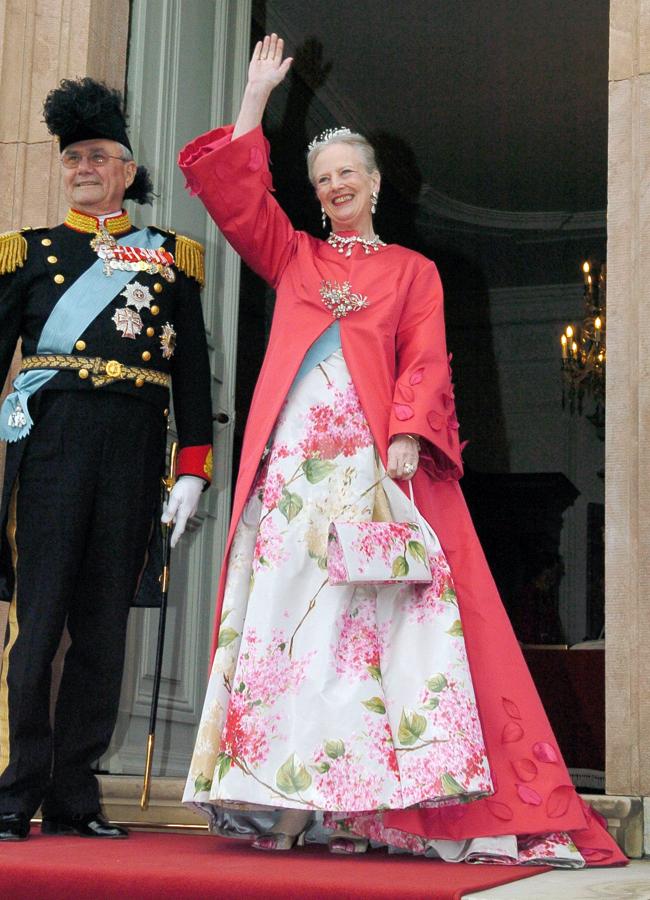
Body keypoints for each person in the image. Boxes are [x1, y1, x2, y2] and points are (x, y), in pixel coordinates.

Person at [177, 35, 624, 866]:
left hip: (369, 474)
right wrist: (252, 100)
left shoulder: (415, 271)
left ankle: (358, 804)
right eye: (321, 180)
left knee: (360, 638)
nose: (335, 186)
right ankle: (287, 802)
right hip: (293, 480)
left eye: (348, 172)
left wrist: (411, 433)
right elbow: (237, 201)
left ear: (375, 183)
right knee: (285, 634)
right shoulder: (296, 256)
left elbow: (424, 358)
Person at [0, 78, 213, 841]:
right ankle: (14, 791)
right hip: (51, 449)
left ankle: (74, 795)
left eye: (99, 156)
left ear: (128, 170)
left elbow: (191, 371)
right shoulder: (25, 254)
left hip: (132, 452)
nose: (84, 167)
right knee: (40, 618)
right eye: (74, 158)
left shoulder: (170, 259)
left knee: (100, 628)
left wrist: (192, 466)